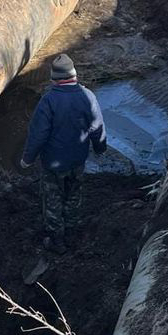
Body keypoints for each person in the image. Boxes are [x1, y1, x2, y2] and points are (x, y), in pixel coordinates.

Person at [20, 53, 106, 254]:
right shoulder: (88, 96)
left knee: (53, 199)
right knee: (73, 194)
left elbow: (38, 134)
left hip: (54, 164)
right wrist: (100, 148)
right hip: (77, 160)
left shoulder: (48, 101)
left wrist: (28, 159)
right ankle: (72, 231)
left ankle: (56, 239)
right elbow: (97, 127)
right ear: (74, 75)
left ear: (54, 79)